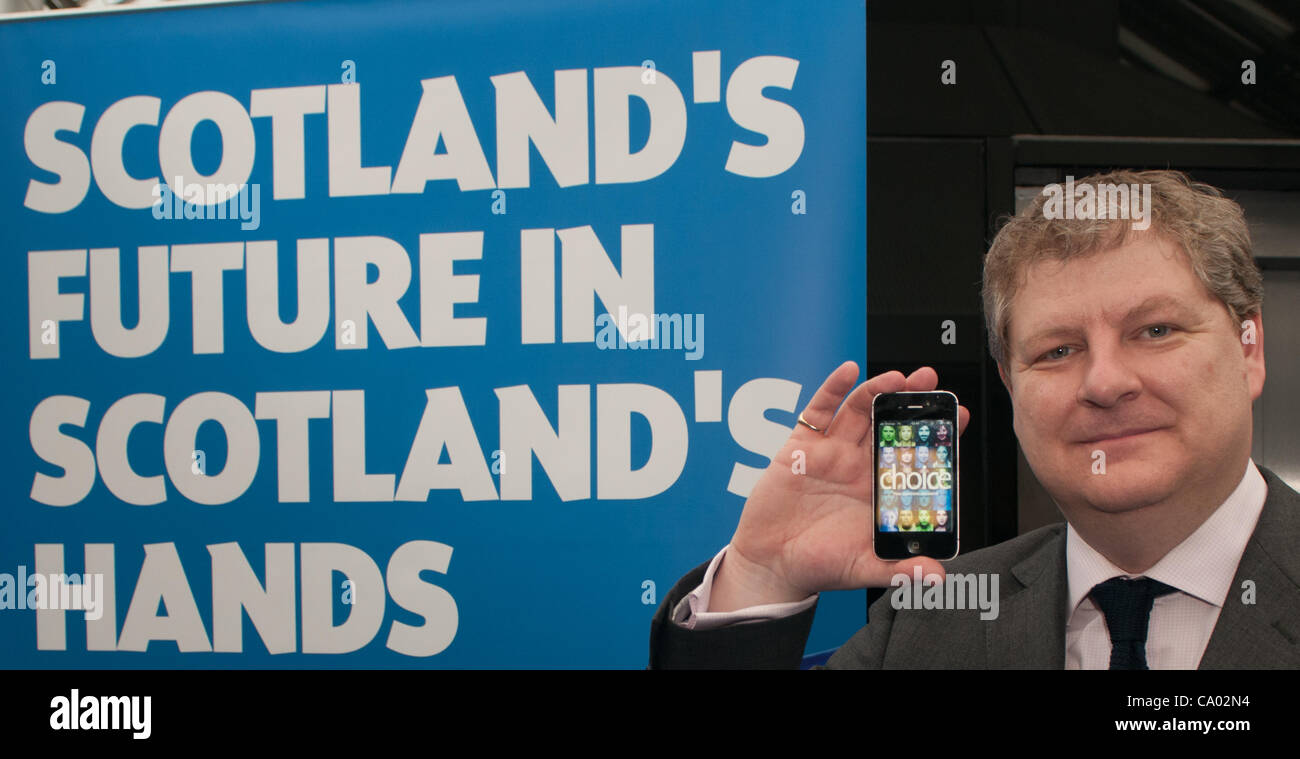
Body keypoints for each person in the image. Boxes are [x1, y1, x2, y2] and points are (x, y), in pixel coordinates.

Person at [648, 169, 1300, 669]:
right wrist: (762, 576)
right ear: (1010, 387)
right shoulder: (930, 618)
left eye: (1155, 330)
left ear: (1250, 350)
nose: (1104, 381)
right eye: (1059, 350)